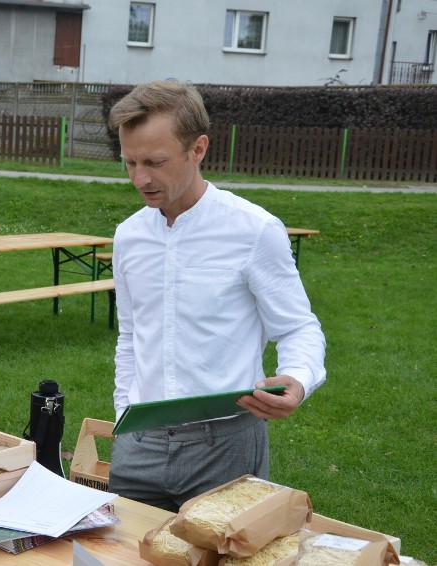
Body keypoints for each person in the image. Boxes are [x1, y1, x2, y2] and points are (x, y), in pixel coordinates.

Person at [107, 80, 326, 513]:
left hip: (225, 445)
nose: (140, 178)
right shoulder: (129, 236)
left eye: (154, 162)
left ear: (198, 149)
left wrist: (297, 380)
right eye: (129, 162)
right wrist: (123, 418)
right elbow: (130, 337)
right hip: (138, 442)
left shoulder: (254, 230)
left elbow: (299, 327)